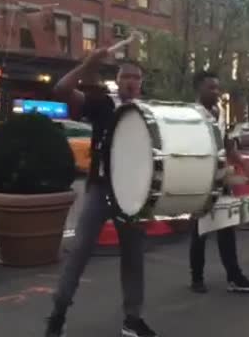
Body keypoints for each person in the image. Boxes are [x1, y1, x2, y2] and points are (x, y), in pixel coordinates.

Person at [45, 49, 158, 337]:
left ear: (141, 82)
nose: (131, 81)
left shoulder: (149, 112)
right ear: (117, 81)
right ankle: (58, 313)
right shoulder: (103, 104)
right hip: (102, 187)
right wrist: (87, 64)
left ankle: (132, 319)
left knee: (133, 256)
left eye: (136, 77)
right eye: (126, 76)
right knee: (81, 249)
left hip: (133, 191)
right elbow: (61, 89)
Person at [189, 71, 249, 294]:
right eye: (211, 88)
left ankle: (234, 276)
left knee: (227, 225)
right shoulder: (192, 114)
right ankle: (197, 278)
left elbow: (226, 140)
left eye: (217, 88)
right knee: (200, 229)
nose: (216, 92)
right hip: (200, 177)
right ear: (199, 89)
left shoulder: (218, 111)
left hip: (220, 176)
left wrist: (238, 161)